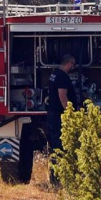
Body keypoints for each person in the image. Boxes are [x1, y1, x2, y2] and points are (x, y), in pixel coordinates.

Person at [45, 54, 78, 184]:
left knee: (55, 146)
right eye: (73, 65)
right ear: (69, 63)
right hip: (59, 116)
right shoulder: (62, 77)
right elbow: (62, 96)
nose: (73, 67)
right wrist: (69, 113)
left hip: (53, 114)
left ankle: (55, 177)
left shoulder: (54, 74)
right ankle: (57, 179)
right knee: (60, 147)